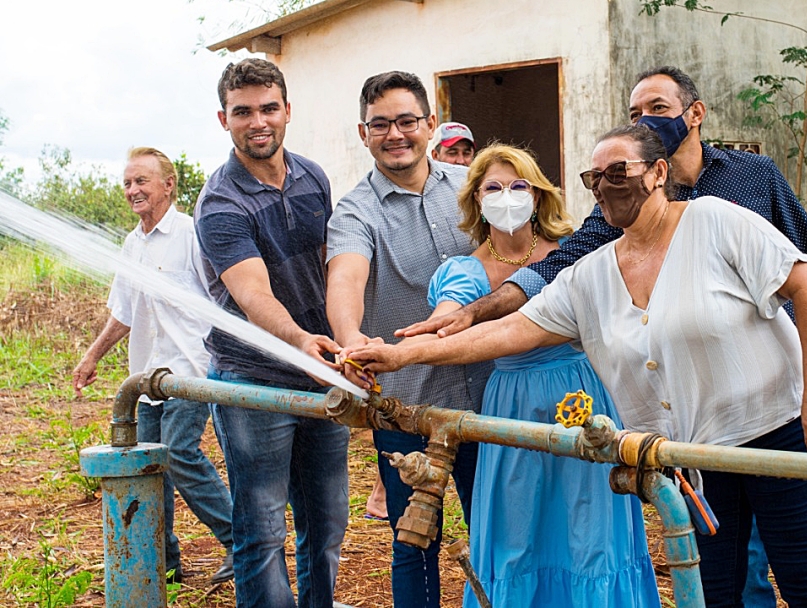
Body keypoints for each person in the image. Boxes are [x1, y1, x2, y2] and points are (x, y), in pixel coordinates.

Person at [401, 65, 807, 608]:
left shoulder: (729, 204)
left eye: (619, 170)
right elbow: (518, 323)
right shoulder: (595, 265)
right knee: (719, 590)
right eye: (596, 178)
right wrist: (406, 352)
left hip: (779, 427)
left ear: (658, 171)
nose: (607, 184)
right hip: (699, 452)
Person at [414, 143, 659, 607]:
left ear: (539, 194)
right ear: (476, 200)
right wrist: (408, 345)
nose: (507, 196)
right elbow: (450, 316)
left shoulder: (576, 252)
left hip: (584, 394)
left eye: (518, 185)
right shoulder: (466, 269)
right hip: (515, 406)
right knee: (516, 530)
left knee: (593, 529)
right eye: (494, 187)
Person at [324, 70, 491, 608]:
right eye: (380, 125)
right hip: (408, 406)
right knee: (414, 543)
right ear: (363, 132)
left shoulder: (474, 188)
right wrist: (349, 340)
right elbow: (346, 277)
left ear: (430, 124)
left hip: (494, 397)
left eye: (406, 121)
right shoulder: (355, 211)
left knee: (502, 536)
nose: (395, 134)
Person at [194, 58, 349, 608]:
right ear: (223, 119)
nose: (257, 121)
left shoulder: (313, 176)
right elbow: (252, 293)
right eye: (243, 112)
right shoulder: (220, 202)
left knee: (327, 522)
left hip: (321, 369)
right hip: (255, 378)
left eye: (267, 108)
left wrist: (338, 336)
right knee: (261, 529)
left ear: (287, 111)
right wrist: (302, 340)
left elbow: (334, 265)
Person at [73, 147, 234, 586]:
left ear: (168, 184)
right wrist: (92, 357)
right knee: (149, 465)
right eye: (127, 183)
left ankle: (240, 541)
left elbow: (222, 300)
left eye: (141, 181)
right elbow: (124, 312)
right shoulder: (132, 243)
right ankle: (161, 560)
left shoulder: (191, 234)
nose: (133, 190)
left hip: (188, 370)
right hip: (145, 378)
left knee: (179, 453)